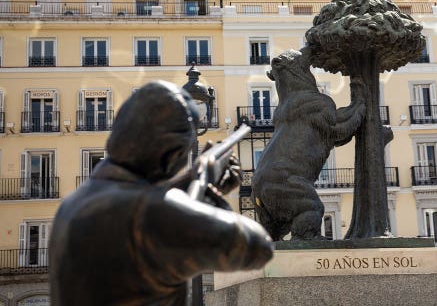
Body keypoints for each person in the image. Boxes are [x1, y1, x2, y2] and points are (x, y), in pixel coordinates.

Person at [49, 80, 273, 305]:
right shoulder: (149, 212)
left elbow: (146, 201)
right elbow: (259, 247)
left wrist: (190, 183)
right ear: (173, 154)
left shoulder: (71, 205)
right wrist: (209, 191)